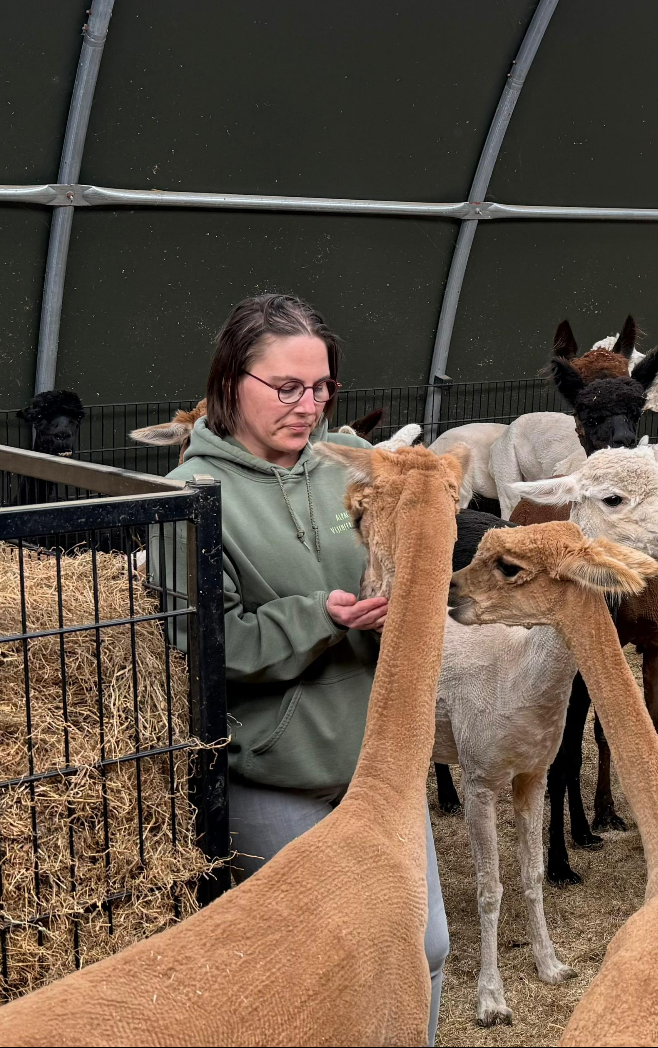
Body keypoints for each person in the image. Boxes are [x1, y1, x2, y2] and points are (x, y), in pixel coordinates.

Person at [159, 294, 450, 1041]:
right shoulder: (189, 501)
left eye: (321, 387)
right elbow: (201, 646)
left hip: (381, 761)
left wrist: (403, 600)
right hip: (272, 771)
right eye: (287, 388)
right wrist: (319, 618)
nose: (309, 405)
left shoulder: (351, 469)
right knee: (332, 954)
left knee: (426, 946)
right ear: (231, 382)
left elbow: (401, 564)